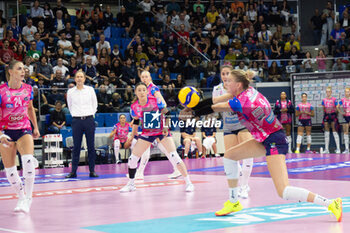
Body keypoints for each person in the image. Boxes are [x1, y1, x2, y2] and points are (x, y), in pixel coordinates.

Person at [191, 68, 342, 221]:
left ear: (237, 85)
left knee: (283, 191)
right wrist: (192, 106)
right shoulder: (246, 90)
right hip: (265, 138)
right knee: (229, 156)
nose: (226, 83)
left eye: (229, 81)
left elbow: (215, 107)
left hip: (275, 140)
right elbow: (216, 100)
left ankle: (330, 203)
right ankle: (233, 201)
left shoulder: (241, 101)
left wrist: (192, 111)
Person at [120, 82, 194, 193]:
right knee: (132, 159)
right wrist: (132, 135)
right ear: (135, 92)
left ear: (147, 91)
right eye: (139, 90)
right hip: (147, 133)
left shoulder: (155, 101)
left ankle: (189, 183)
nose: (141, 92)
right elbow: (135, 121)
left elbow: (167, 113)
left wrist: (165, 127)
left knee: (174, 155)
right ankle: (131, 184)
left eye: (143, 90)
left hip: (161, 131)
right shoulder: (134, 106)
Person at [0, 60, 40, 213]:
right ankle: (21, 197)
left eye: (24, 69)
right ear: (10, 71)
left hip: (24, 128)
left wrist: (35, 127)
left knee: (28, 161)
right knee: (9, 171)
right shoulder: (1, 91)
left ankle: (28, 199)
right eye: (19, 69)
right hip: (6, 131)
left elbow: (30, 108)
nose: (23, 71)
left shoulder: (28, 89)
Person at [212, 65, 254, 199]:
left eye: (228, 74)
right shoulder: (217, 89)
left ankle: (244, 186)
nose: (225, 76)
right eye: (223, 74)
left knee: (248, 153)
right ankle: (240, 183)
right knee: (231, 156)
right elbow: (214, 107)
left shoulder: (239, 87)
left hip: (243, 123)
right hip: (228, 126)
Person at [136, 71, 183, 179]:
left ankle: (140, 172)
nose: (144, 79)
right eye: (142, 77)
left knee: (146, 144)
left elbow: (163, 103)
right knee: (162, 147)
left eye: (146, 77)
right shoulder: (144, 89)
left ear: (150, 78)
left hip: (155, 119)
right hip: (150, 119)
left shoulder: (153, 88)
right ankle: (177, 169)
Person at [66, 71, 99, 178]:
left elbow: (95, 104)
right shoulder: (70, 91)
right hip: (76, 120)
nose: (79, 79)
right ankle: (73, 172)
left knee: (91, 146)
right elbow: (69, 106)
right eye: (77, 77)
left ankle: (92, 171)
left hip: (89, 119)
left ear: (84, 79)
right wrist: (76, 115)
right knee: (76, 146)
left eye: (81, 77)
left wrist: (91, 114)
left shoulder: (90, 90)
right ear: (75, 79)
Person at [322, 87, 340, 154]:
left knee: (334, 131)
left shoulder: (334, 99)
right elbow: (323, 108)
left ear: (331, 92)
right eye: (327, 91)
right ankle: (326, 149)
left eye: (329, 91)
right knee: (326, 132)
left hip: (333, 115)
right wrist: (326, 113)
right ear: (326, 92)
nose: (328, 92)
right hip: (326, 116)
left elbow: (337, 108)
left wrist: (334, 113)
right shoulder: (324, 100)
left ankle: (338, 148)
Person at [338, 87, 350, 154]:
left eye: (348, 92)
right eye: (345, 92)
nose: (346, 93)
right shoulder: (342, 100)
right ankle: (347, 149)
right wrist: (341, 112)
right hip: (345, 117)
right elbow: (337, 106)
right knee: (346, 133)